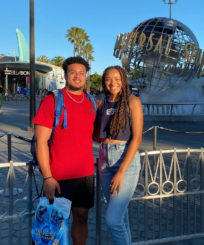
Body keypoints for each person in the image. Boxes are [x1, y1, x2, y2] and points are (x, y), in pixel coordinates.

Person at [32, 57, 97, 245]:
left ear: (86, 76)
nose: (77, 76)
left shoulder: (92, 102)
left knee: (82, 217)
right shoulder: (51, 100)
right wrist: (47, 177)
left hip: (85, 174)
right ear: (66, 74)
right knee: (55, 224)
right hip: (58, 176)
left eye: (82, 73)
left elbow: (100, 134)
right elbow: (41, 141)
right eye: (73, 72)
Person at [93, 65, 143, 245]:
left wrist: (121, 171)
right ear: (103, 82)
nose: (112, 83)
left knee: (113, 220)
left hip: (125, 161)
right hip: (104, 160)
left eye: (117, 78)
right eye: (108, 79)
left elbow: (136, 139)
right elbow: (94, 133)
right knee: (120, 217)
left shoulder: (132, 101)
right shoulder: (101, 103)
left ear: (123, 80)